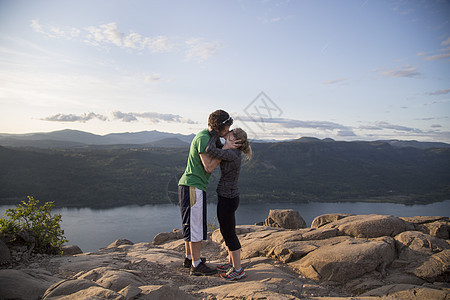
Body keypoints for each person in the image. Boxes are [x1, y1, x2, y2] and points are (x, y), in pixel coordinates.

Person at [178, 109, 237, 276]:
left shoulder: (208, 136)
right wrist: (226, 147)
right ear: (219, 127)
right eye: (226, 128)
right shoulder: (204, 138)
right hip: (193, 186)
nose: (228, 130)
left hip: (189, 185)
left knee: (190, 223)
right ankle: (196, 265)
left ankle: (190, 258)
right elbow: (209, 166)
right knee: (195, 225)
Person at [206, 127, 252, 280]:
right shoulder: (232, 152)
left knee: (229, 234)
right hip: (230, 197)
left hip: (227, 199)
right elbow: (219, 148)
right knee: (228, 231)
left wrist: (213, 133)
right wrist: (220, 137)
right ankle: (231, 262)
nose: (227, 133)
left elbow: (210, 150)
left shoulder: (231, 154)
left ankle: (238, 270)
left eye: (230, 133)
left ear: (235, 140)